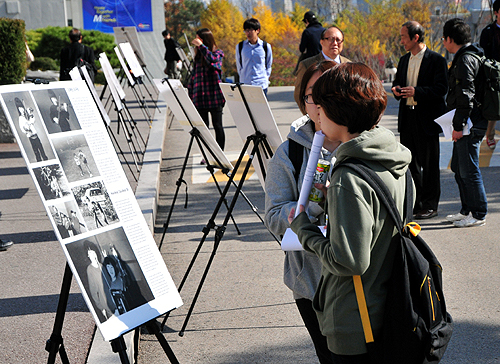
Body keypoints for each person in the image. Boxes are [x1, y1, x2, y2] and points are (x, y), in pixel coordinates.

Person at [288, 62, 412, 363]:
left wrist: (303, 227)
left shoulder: (348, 178)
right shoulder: (393, 157)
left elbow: (349, 261)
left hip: (355, 317)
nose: (316, 112)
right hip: (388, 302)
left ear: (339, 112)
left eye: (322, 105)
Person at [265, 60, 339, 364]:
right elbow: (273, 217)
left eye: (329, 93)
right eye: (312, 95)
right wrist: (309, 207)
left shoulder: (364, 144)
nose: (320, 104)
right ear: (303, 100)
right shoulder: (289, 152)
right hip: (312, 282)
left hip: (367, 278)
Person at [392, 21, 448, 219]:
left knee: (430, 164)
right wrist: (396, 90)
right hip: (407, 116)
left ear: (416, 38)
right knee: (410, 163)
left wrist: (417, 91)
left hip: (427, 118)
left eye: (403, 37)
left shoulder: (436, 60)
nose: (401, 41)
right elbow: (397, 82)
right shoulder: (404, 60)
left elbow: (441, 89)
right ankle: (416, 203)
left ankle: (431, 205)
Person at [442, 18, 488, 228]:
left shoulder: (465, 60)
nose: (443, 42)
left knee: (469, 170)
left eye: (444, 38)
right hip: (469, 122)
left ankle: (478, 213)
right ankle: (467, 209)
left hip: (470, 123)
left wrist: (459, 127)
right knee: (460, 169)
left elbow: (466, 95)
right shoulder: (471, 56)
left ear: (450, 39)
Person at [294, 26, 351, 113]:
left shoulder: (349, 65)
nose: (335, 43)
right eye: (331, 39)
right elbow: (299, 94)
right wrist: (311, 117)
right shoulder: (307, 65)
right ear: (322, 42)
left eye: (338, 40)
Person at [188, 28, 226, 150]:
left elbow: (213, 61)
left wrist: (202, 47)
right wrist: (190, 91)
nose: (196, 41)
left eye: (198, 38)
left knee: (218, 126)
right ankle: (209, 154)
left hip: (215, 96)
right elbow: (194, 76)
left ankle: (220, 154)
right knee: (204, 129)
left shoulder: (218, 53)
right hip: (200, 97)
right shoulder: (198, 56)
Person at [479, 0, 500, 149]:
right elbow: (483, 55)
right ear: (497, 12)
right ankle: (490, 135)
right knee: (494, 107)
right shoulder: (488, 32)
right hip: (494, 75)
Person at [236, 18, 273, 96]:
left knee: (261, 108)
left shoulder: (265, 46)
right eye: (246, 30)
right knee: (247, 108)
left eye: (250, 30)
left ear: (257, 30)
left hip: (261, 85)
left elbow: (268, 65)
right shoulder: (240, 47)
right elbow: (239, 65)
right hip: (246, 84)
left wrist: (265, 78)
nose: (248, 33)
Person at [84, 240, 117, 322]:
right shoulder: (90, 269)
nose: (93, 255)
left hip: (113, 298)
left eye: (93, 252)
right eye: (90, 253)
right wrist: (100, 307)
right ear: (88, 256)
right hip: (105, 303)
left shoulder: (102, 266)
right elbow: (93, 290)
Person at [16, 97, 48, 162]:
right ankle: (38, 160)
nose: (21, 110)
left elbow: (33, 120)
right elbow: (21, 128)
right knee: (35, 149)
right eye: (20, 109)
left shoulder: (27, 113)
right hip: (30, 135)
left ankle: (45, 158)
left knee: (40, 147)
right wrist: (27, 131)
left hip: (35, 133)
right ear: (18, 110)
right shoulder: (21, 118)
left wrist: (30, 114)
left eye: (22, 108)